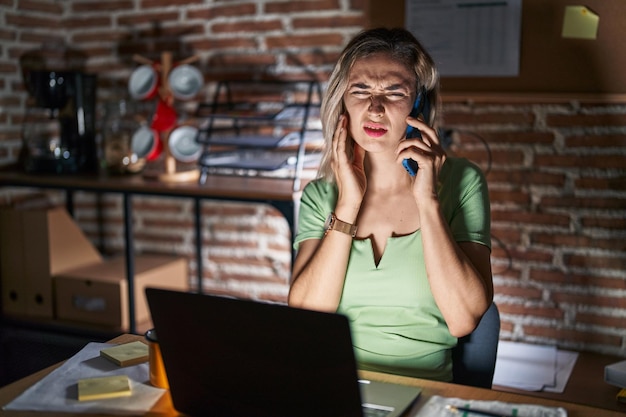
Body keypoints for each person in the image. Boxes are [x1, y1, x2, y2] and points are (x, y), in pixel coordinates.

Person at [287, 28, 493, 382]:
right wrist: (348, 206)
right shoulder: (321, 196)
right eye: (361, 90)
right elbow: (309, 320)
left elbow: (462, 320)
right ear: (343, 104)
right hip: (333, 386)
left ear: (419, 104)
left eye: (394, 92)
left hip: (423, 390)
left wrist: (426, 200)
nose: (375, 108)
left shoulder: (463, 182)